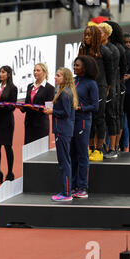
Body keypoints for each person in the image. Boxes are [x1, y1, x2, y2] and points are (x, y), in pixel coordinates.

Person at [78, 25, 114, 162]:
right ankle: (90, 148)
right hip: (85, 88)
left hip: (100, 88)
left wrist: (108, 87)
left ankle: (99, 150)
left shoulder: (105, 52)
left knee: (99, 118)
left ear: (96, 37)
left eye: (89, 35)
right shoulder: (82, 49)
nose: (86, 37)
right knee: (88, 119)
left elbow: (110, 73)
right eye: (85, 35)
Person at [43, 68, 78, 202]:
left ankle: (66, 193)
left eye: (58, 76)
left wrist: (52, 111)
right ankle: (66, 190)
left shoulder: (64, 94)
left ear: (65, 78)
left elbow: (65, 113)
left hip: (62, 130)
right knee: (65, 162)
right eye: (55, 75)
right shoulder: (67, 91)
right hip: (64, 130)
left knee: (64, 163)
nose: (55, 78)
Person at [70, 55, 99, 199]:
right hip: (70, 122)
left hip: (82, 122)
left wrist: (80, 108)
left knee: (82, 155)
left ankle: (82, 187)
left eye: (77, 66)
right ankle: (73, 185)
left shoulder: (91, 84)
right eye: (74, 65)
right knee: (72, 154)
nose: (74, 67)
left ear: (85, 68)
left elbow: (95, 106)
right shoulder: (73, 81)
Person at [105, 20, 130, 156]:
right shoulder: (118, 48)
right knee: (114, 115)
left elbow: (125, 67)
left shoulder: (119, 49)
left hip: (116, 86)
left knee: (115, 115)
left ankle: (114, 147)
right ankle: (110, 146)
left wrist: (117, 80)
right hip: (117, 85)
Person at [0, 65, 18, 184]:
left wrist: (2, 106)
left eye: (3, 72)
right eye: (0, 72)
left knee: (7, 146)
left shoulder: (13, 88)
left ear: (9, 74)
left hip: (7, 120)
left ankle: (10, 173)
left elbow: (13, 106)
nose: (1, 74)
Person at [97, 22, 120, 159]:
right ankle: (101, 146)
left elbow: (114, 71)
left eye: (99, 32)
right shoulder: (96, 49)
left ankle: (113, 148)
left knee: (111, 115)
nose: (96, 34)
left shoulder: (113, 50)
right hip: (102, 87)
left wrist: (110, 88)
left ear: (106, 34)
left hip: (110, 87)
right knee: (99, 117)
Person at [20, 63, 55, 145]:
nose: (35, 72)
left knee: (40, 151)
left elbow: (48, 109)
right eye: (34, 70)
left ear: (44, 72)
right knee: (28, 150)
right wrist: (21, 107)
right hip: (29, 122)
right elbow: (27, 104)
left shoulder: (50, 88)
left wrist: (38, 108)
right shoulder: (30, 86)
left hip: (41, 124)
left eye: (38, 70)